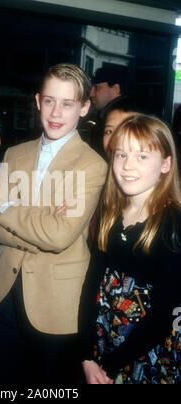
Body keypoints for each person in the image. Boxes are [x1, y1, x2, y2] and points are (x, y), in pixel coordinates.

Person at [0, 63, 107, 385]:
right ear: (37, 102)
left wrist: (7, 207)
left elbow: (59, 236)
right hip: (3, 293)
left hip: (55, 301)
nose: (56, 112)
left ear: (84, 107)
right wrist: (40, 224)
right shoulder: (15, 153)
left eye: (67, 103)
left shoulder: (92, 164)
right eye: (49, 101)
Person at [78, 114, 181, 384]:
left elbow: (162, 317)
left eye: (142, 157)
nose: (127, 166)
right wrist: (86, 355)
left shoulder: (173, 225)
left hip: (147, 354)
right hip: (104, 343)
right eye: (121, 155)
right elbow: (91, 284)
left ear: (166, 164)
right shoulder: (109, 214)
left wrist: (109, 367)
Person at [87, 66, 128, 160]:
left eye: (97, 88)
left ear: (115, 89)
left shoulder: (118, 118)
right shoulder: (103, 114)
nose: (91, 94)